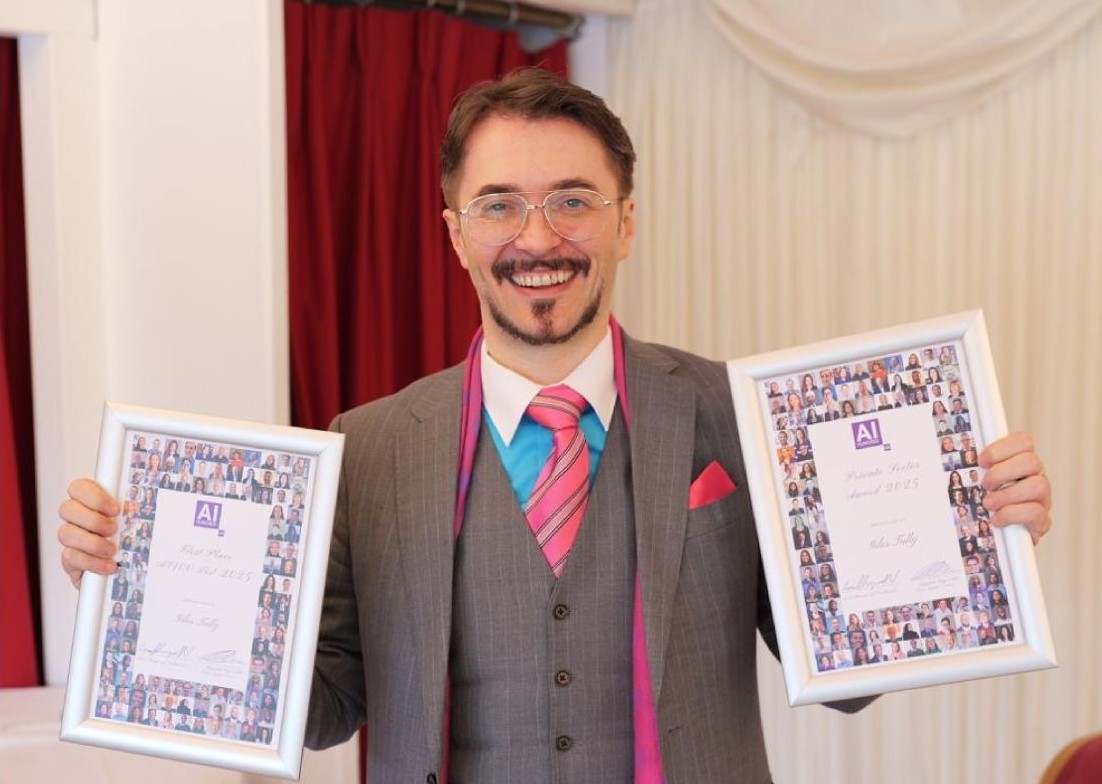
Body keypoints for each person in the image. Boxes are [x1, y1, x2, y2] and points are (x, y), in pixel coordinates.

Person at [56, 70, 1053, 783]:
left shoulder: (739, 416)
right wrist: (133, 582)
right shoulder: (364, 448)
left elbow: (840, 673)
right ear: (455, 233)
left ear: (625, 222)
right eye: (499, 205)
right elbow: (323, 707)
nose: (538, 237)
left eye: (573, 201)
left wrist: (970, 533)